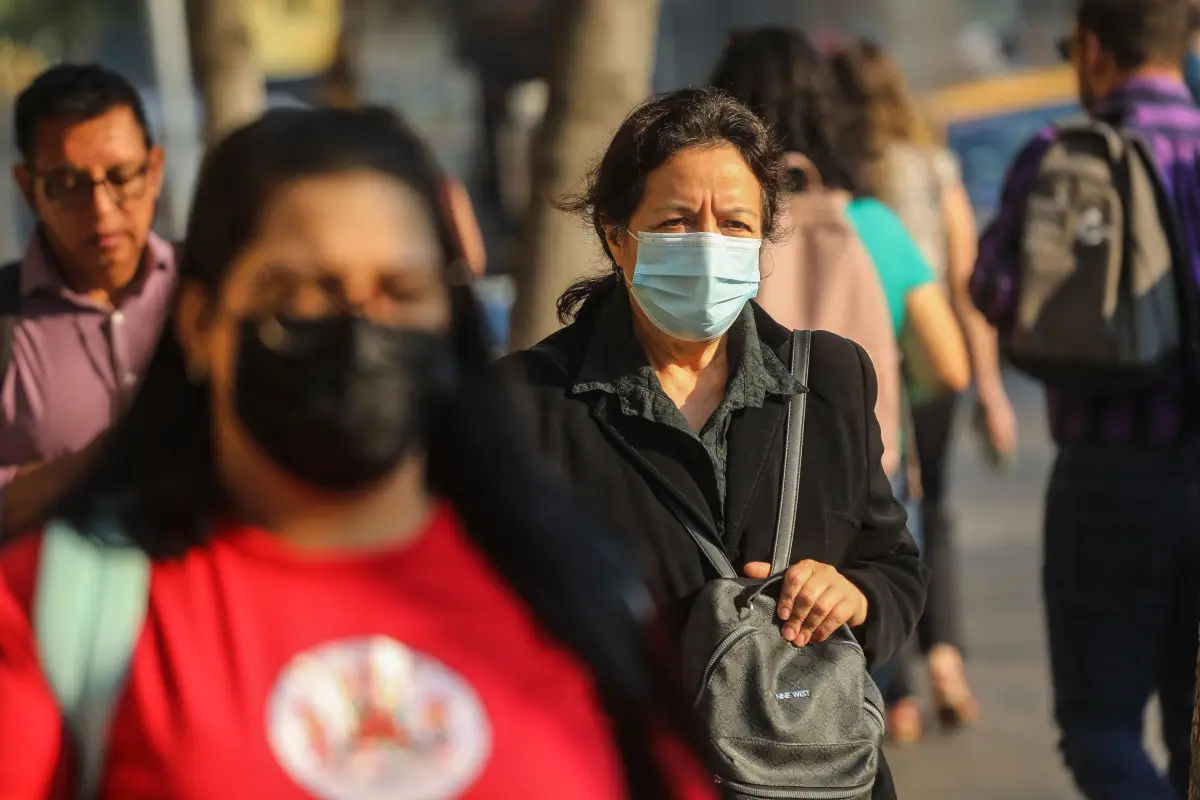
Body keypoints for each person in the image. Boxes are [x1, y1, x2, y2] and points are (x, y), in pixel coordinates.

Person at [0, 106, 715, 799]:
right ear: (199, 323)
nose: (360, 329)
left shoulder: (577, 590)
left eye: (401, 292)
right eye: (306, 294)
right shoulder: (66, 611)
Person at [500, 87, 928, 800]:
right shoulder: (531, 404)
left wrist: (852, 595)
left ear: (763, 239)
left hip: (809, 775)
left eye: (734, 223)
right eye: (675, 220)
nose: (708, 245)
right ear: (615, 234)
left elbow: (894, 566)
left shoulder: (827, 379)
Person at [971, 0, 1200, 796]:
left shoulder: (1060, 152)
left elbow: (997, 288)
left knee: (1099, 724)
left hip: (1108, 477)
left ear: (1093, 51)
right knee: (1193, 725)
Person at [829, 37, 1019, 739]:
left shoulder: (850, 171)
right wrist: (989, 387)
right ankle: (945, 660)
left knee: (880, 518)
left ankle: (899, 691)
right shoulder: (934, 166)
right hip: (933, 360)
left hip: (864, 358)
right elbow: (967, 287)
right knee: (931, 507)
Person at [705, 27, 904, 479]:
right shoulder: (868, 222)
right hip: (856, 468)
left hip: (744, 471)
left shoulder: (710, 228)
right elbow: (948, 367)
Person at [0, 63, 174, 540]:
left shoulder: (210, 295)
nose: (101, 210)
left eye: (121, 177)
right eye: (70, 184)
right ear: (29, 189)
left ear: (155, 169)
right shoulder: (7, 322)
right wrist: (104, 461)